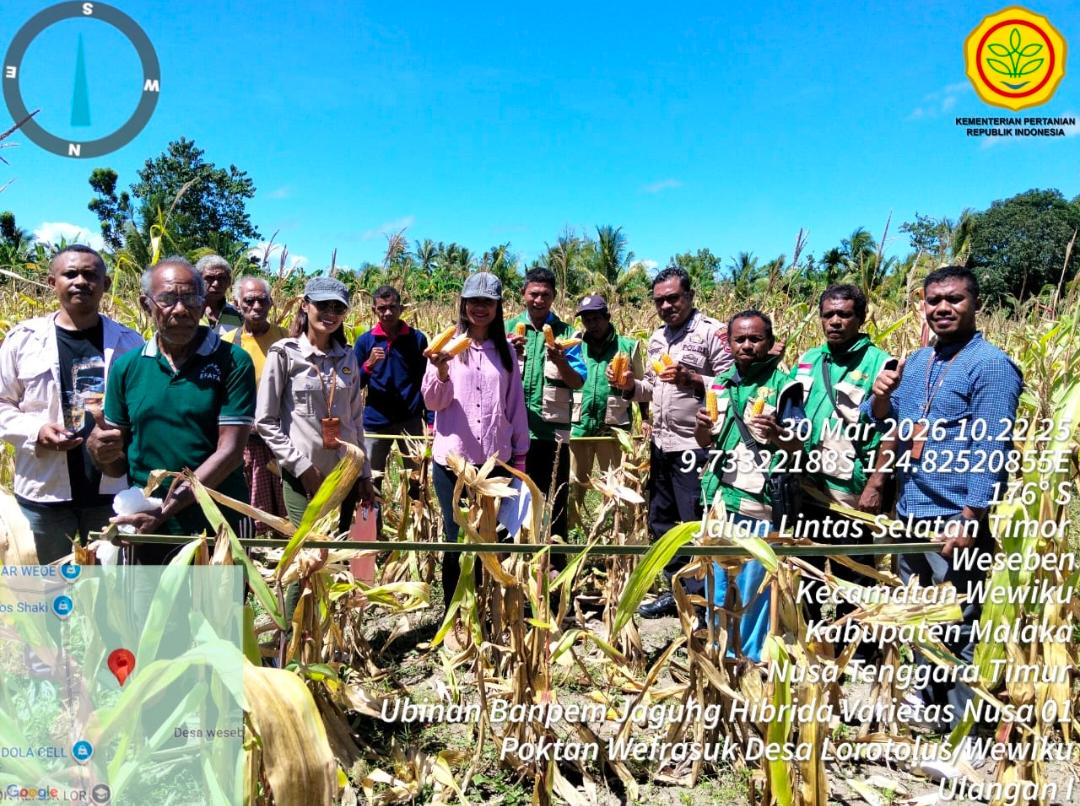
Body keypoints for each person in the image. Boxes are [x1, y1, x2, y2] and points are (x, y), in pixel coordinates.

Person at [864, 265, 1022, 729]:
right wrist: (879, 397)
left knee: (960, 618)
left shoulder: (990, 365)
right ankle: (928, 703)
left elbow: (992, 445)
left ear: (975, 303)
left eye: (954, 299)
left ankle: (964, 726)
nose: (943, 309)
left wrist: (972, 513)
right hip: (911, 508)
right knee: (920, 614)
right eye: (934, 301)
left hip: (954, 513)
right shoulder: (916, 362)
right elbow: (884, 423)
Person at [87, 257, 255, 562]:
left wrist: (164, 510)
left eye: (191, 299)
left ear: (204, 303)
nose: (180, 309)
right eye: (167, 299)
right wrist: (100, 452)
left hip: (218, 519)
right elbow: (118, 466)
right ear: (146, 304)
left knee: (219, 609)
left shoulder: (232, 361)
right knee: (152, 609)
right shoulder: (128, 368)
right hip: (145, 520)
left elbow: (230, 452)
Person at [0, 245, 143, 563]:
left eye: (91, 275)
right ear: (53, 283)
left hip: (111, 493)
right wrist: (36, 430)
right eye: (70, 274)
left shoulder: (131, 343)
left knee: (110, 591)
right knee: (48, 589)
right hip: (43, 491)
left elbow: (145, 410)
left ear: (105, 285)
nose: (81, 281)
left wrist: (121, 439)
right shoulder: (22, 340)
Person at [610, 266, 731, 617]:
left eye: (673, 298)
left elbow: (732, 381)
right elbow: (652, 386)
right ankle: (676, 590)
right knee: (662, 522)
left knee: (695, 524)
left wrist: (693, 378)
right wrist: (629, 386)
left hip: (696, 446)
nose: (666, 306)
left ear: (690, 296)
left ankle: (701, 600)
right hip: (661, 444)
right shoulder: (657, 338)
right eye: (659, 300)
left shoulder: (712, 333)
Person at [422, 272, 529, 645]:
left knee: (489, 540)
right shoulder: (446, 347)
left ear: (499, 307)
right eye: (473, 300)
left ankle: (484, 610)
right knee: (455, 541)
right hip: (453, 461)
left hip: (495, 462)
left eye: (487, 301)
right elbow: (433, 403)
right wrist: (440, 371)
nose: (479, 307)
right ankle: (455, 618)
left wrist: (521, 461)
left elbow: (515, 406)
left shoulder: (507, 353)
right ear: (463, 304)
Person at [694, 310, 805, 660]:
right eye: (740, 339)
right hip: (718, 499)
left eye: (755, 339)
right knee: (718, 582)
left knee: (754, 586)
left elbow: (798, 441)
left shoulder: (786, 385)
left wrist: (779, 435)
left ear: (770, 343)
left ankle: (751, 656)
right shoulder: (717, 385)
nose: (747, 345)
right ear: (728, 343)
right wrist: (701, 428)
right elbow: (705, 440)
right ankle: (719, 649)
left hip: (759, 500)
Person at [256, 277, 374, 532]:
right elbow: (265, 421)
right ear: (305, 305)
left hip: (345, 473)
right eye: (324, 306)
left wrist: (364, 473)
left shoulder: (348, 357)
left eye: (338, 308)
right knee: (308, 553)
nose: (331, 314)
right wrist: (302, 468)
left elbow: (355, 421)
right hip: (304, 476)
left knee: (339, 553)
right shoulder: (284, 353)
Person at [505, 268, 586, 547]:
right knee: (510, 497)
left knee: (553, 499)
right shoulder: (505, 328)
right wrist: (508, 354)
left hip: (551, 435)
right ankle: (510, 555)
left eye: (545, 295)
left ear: (554, 297)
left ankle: (553, 560)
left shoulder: (567, 334)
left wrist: (561, 360)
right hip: (512, 434)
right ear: (523, 295)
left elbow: (577, 381)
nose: (539, 300)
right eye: (533, 294)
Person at [568, 294, 646, 529]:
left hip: (613, 428)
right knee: (573, 487)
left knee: (617, 488)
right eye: (586, 319)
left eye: (596, 318)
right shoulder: (574, 344)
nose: (591, 324)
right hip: (578, 427)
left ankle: (620, 543)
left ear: (607, 317)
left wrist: (646, 418)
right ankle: (565, 540)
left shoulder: (628, 347)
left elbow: (641, 387)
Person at [354, 285, 429, 501]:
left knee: (417, 478)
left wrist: (430, 421)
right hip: (376, 421)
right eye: (382, 308)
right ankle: (372, 528)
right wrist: (368, 364)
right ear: (373, 310)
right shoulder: (365, 341)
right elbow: (353, 384)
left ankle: (418, 524)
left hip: (410, 420)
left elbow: (426, 380)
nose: (387, 313)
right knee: (370, 479)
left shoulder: (417, 339)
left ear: (401, 308)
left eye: (392, 307)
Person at [227, 276, 288, 534]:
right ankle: (260, 548)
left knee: (286, 495)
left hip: (282, 434)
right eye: (249, 301)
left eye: (262, 300)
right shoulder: (228, 343)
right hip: (248, 436)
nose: (256, 306)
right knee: (254, 491)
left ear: (271, 303)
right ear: (237, 304)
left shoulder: (286, 338)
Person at [194, 254, 243, 335]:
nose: (216, 284)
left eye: (221, 278)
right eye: (209, 278)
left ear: (228, 282)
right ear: (198, 280)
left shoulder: (239, 315)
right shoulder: (187, 312)